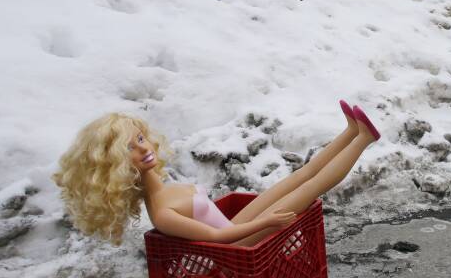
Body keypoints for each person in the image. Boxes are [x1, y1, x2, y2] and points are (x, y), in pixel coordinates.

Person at [52, 100, 380, 246]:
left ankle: (350, 132)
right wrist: (265, 222)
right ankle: (364, 138)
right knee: (312, 184)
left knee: (299, 177)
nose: (142, 149)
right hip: (236, 247)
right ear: (116, 167)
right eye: (130, 149)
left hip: (235, 228)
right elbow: (215, 239)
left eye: (139, 139)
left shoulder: (163, 189)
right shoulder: (163, 212)